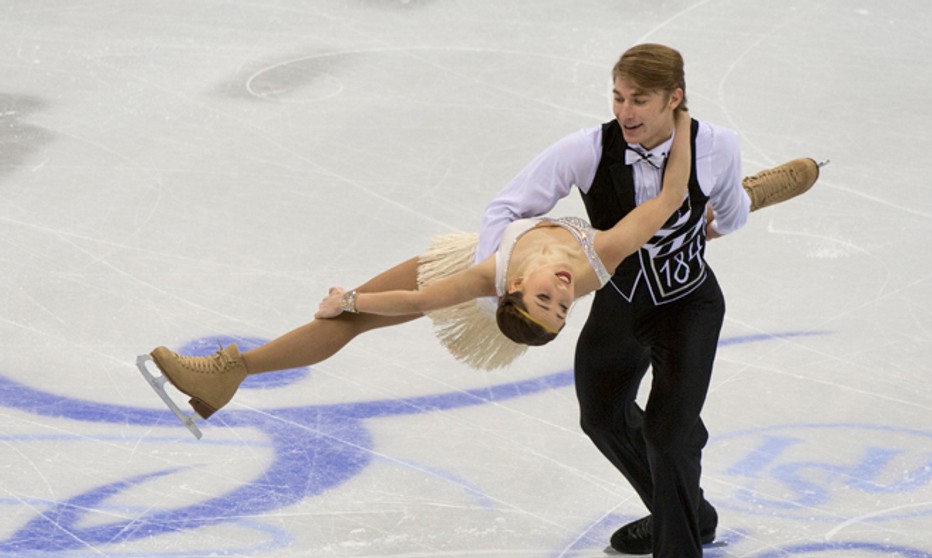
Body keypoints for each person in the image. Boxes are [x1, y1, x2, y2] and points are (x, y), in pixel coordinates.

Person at [473, 43, 820, 557]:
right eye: (617, 97)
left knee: (667, 436)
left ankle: (677, 539)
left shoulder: (717, 146)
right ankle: (686, 511)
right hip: (622, 299)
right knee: (602, 413)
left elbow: (731, 215)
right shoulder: (587, 149)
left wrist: (699, 228)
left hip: (688, 305)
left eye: (639, 100)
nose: (624, 112)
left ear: (673, 98)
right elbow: (507, 206)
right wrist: (503, 272)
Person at [142, 107, 695, 423]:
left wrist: (351, 300)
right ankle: (229, 377)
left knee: (347, 320)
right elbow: (669, 200)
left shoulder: (493, 278)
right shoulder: (593, 257)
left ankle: (228, 372)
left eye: (550, 305)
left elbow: (421, 300)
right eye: (559, 305)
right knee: (348, 320)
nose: (563, 294)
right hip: (486, 262)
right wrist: (683, 123)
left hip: (478, 274)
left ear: (519, 289)